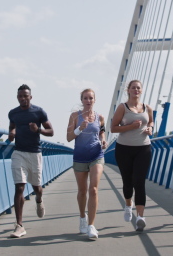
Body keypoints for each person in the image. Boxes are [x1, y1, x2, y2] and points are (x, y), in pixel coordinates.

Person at [7, 84, 54, 238]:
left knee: (36, 187)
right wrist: (12, 133)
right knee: (19, 187)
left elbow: (51, 132)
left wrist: (38, 130)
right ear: (17, 97)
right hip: (18, 152)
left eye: (25, 96)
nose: (23, 99)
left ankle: (39, 200)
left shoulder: (39, 112)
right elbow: (12, 126)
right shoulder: (13, 113)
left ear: (30, 97)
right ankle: (19, 225)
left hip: (35, 153)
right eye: (20, 96)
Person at [110, 80, 154, 232]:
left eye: (138, 88)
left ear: (141, 91)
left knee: (139, 182)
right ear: (128, 90)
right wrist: (131, 126)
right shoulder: (123, 107)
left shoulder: (147, 107)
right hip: (124, 149)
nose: (136, 90)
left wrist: (150, 128)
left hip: (143, 148)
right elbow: (113, 128)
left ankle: (140, 217)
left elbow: (152, 122)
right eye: (133, 87)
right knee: (128, 183)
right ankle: (128, 204)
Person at [66, 88, 107, 240]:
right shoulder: (75, 116)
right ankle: (82, 217)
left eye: (91, 98)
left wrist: (103, 141)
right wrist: (79, 129)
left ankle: (91, 225)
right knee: (82, 191)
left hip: (96, 155)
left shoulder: (100, 117)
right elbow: (69, 137)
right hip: (80, 156)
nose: (88, 101)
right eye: (85, 98)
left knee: (94, 189)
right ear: (81, 100)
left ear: (94, 100)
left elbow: (102, 132)